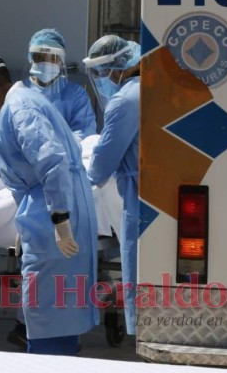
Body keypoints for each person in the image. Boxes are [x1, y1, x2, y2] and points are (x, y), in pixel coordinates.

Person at [0, 50, 99, 356]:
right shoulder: (28, 101)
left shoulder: (19, 107)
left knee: (47, 309)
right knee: (61, 308)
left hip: (53, 219)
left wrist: (60, 220)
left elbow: (51, 161)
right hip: (60, 207)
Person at [82, 35, 140, 336]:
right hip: (152, 191)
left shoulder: (125, 101)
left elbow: (101, 166)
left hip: (140, 199)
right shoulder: (151, 88)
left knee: (140, 276)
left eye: (103, 72)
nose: (103, 79)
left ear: (118, 67)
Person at [21, 28, 96, 140]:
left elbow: (84, 132)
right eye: (40, 58)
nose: (46, 63)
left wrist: (56, 150)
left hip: (65, 156)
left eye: (52, 58)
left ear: (61, 61)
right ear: (31, 59)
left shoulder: (76, 94)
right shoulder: (20, 92)